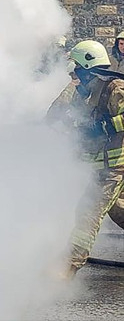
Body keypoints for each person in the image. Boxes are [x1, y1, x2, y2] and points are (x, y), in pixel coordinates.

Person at [61, 40, 124, 278]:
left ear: (88, 65)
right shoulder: (86, 92)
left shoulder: (114, 88)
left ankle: (67, 268)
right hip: (103, 164)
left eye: (76, 67)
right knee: (119, 211)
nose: (73, 72)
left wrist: (107, 126)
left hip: (116, 165)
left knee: (88, 211)